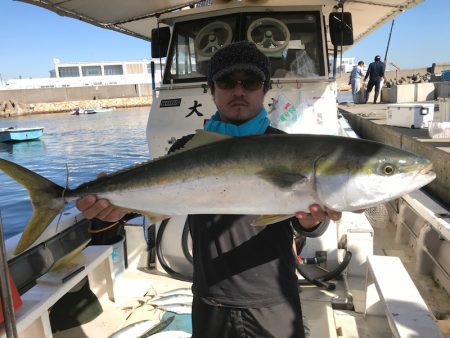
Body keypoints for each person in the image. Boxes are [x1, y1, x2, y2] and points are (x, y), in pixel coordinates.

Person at [76, 41, 342, 338]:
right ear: (212, 89)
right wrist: (116, 210)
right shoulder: (187, 148)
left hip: (273, 299)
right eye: (227, 82)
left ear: (264, 89)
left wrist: (311, 221)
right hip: (210, 298)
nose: (238, 91)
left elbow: (305, 223)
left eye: (250, 82)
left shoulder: (285, 147)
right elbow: (160, 204)